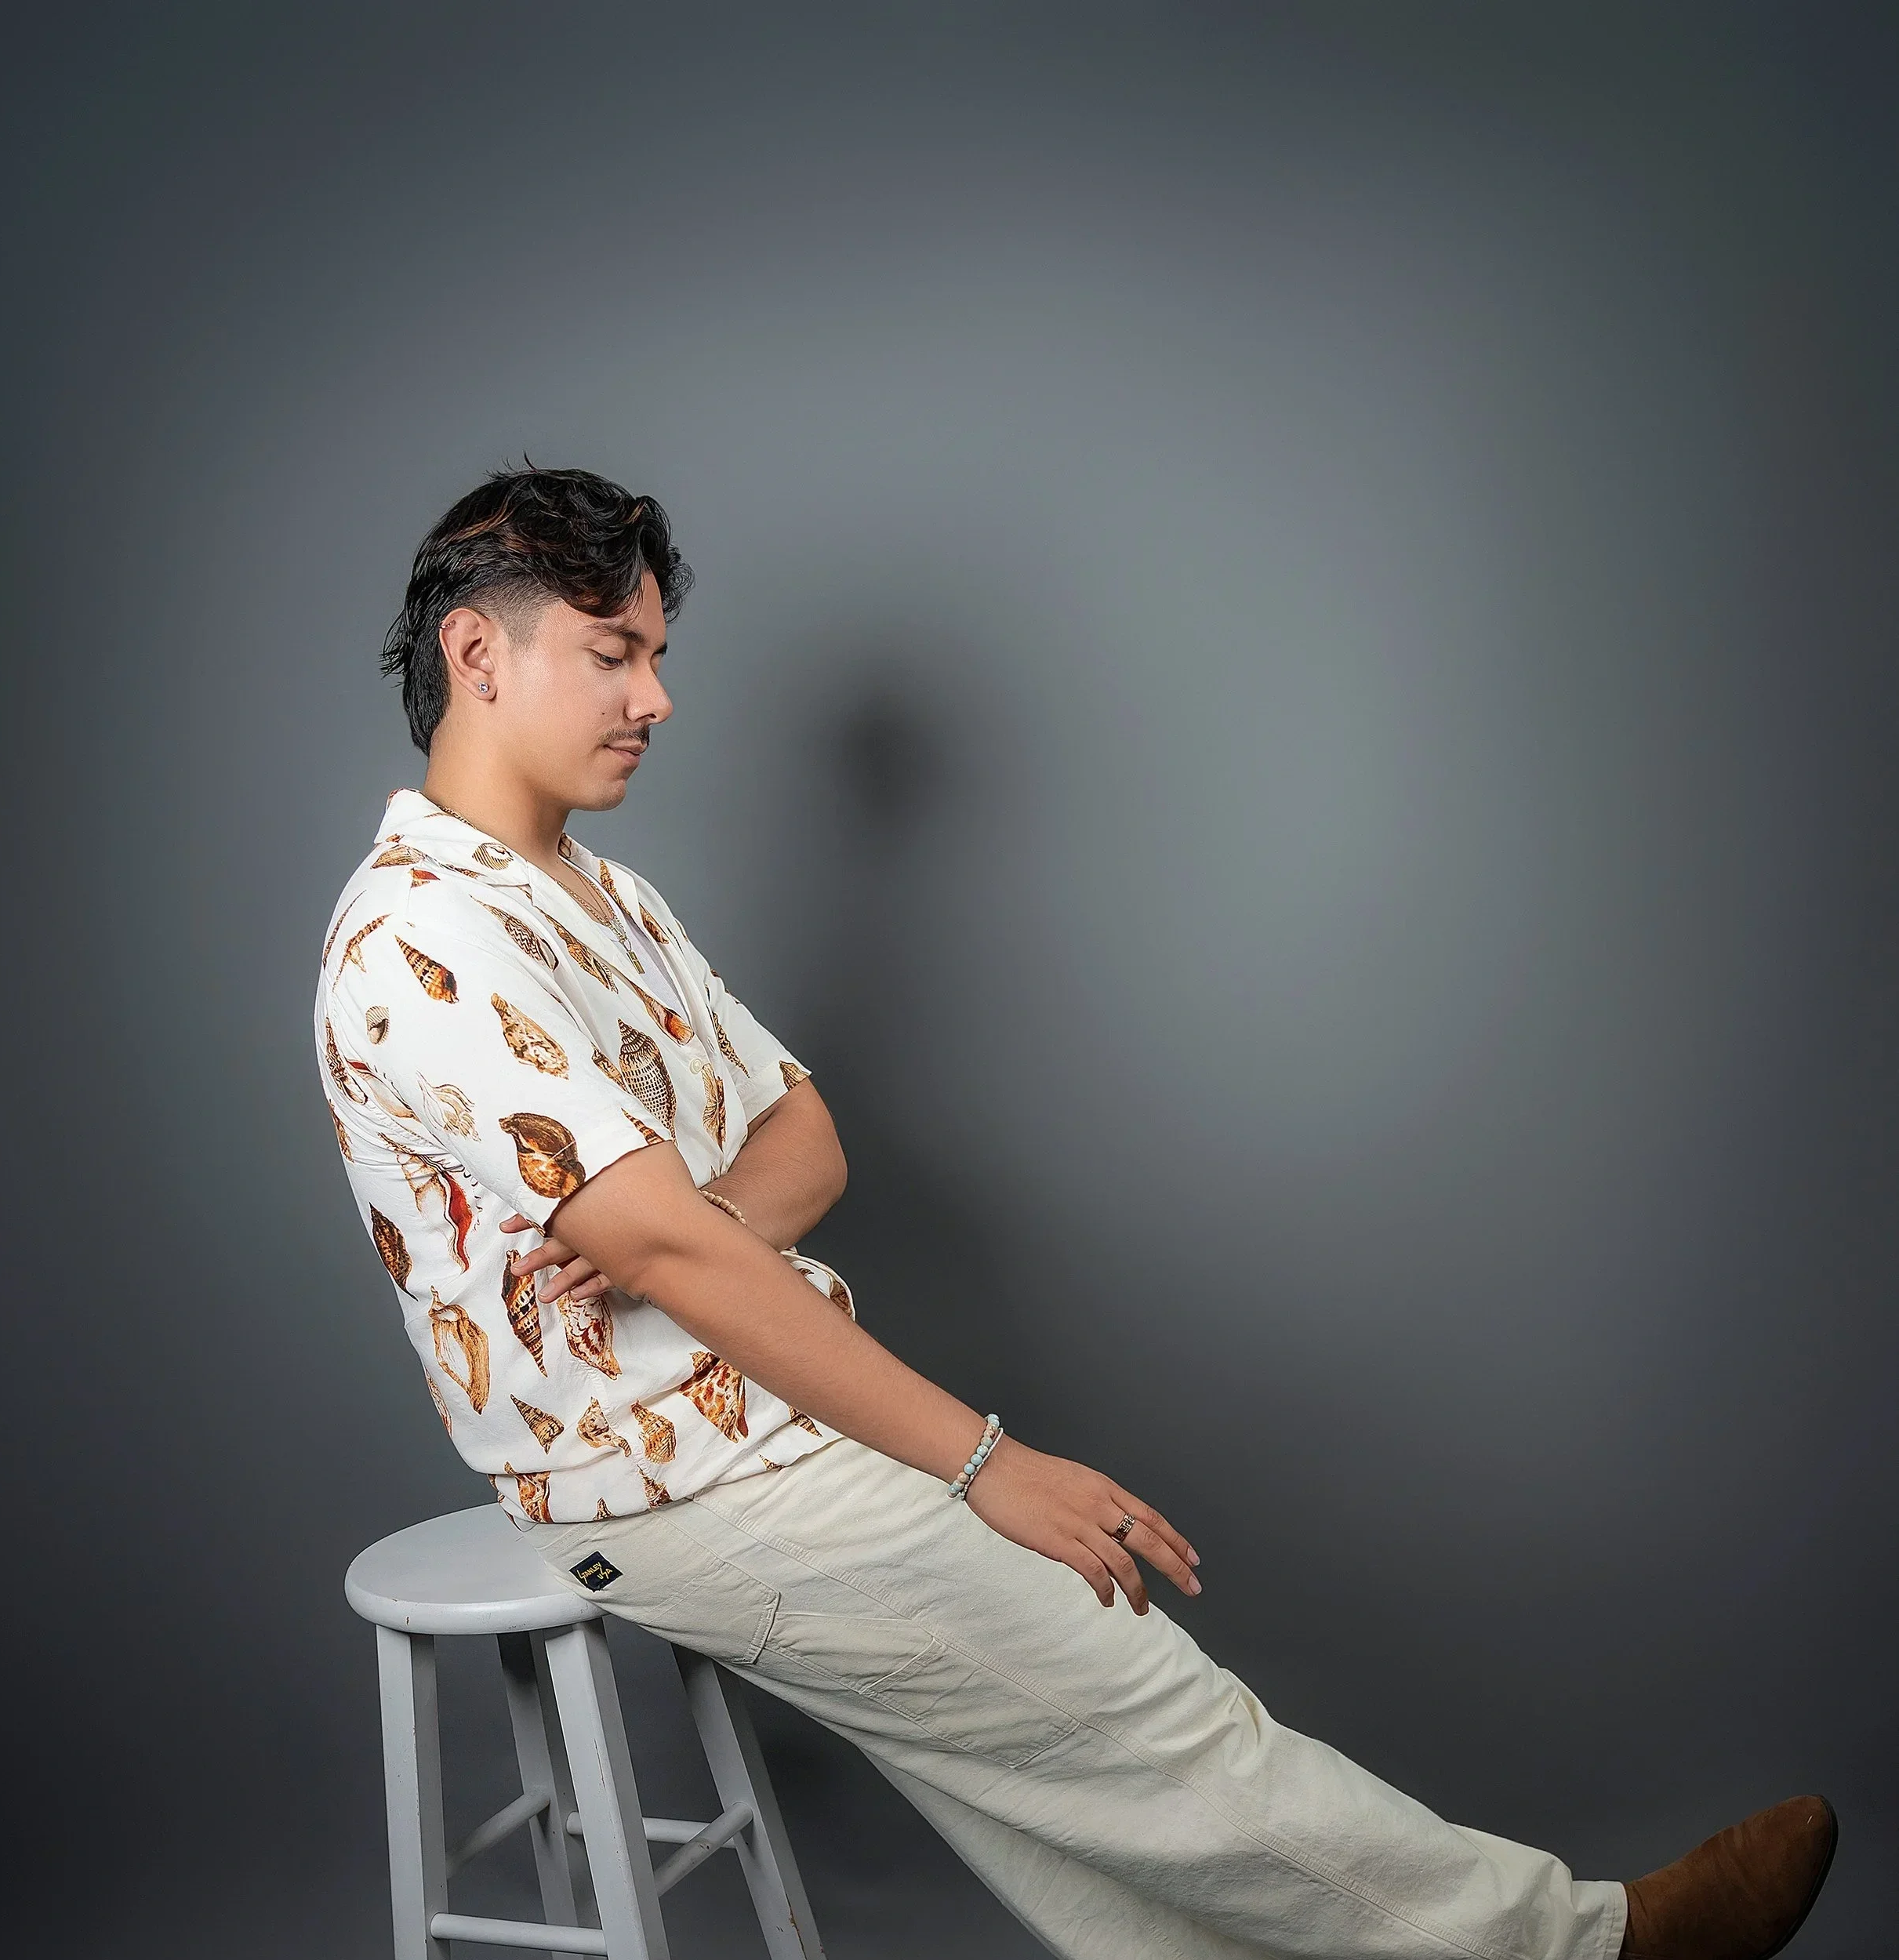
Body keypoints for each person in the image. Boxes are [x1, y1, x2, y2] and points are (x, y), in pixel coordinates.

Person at [314, 466, 1836, 1960]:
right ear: (477, 652)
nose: (654, 695)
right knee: (1144, 1711)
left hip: (763, 1409)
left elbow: (806, 1145)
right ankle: (1591, 1947)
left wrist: (680, 1223)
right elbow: (671, 1251)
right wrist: (980, 1456)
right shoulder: (423, 932)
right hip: (658, 1480)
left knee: (1095, 1808)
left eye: (656, 653)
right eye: (612, 652)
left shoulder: (604, 897)